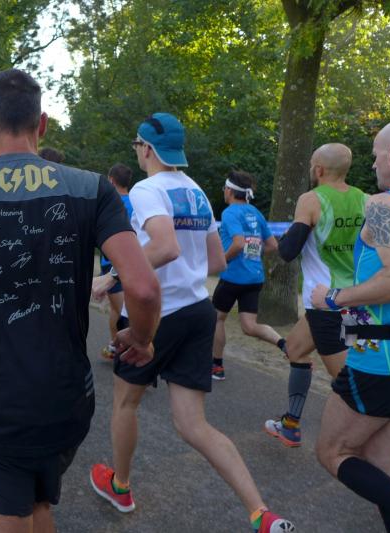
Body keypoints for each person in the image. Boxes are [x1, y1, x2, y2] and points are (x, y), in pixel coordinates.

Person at [0, 68, 161, 533]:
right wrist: (140, 339)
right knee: (37, 504)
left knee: (11, 505)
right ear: (42, 124)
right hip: (68, 398)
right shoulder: (91, 188)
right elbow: (143, 288)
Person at [89, 113, 294, 533]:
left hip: (155, 312)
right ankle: (261, 513)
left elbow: (165, 247)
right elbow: (216, 261)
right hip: (198, 309)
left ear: (147, 148)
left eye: (137, 146)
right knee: (193, 424)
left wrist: (111, 277)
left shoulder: (147, 189)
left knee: (126, 403)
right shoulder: (197, 191)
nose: (137, 152)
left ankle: (121, 486)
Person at [309, 120, 390, 532]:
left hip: (381, 359)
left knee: (333, 451)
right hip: (387, 355)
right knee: (380, 461)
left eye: (377, 154)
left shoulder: (384, 205)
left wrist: (333, 298)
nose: (374, 163)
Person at [264, 143, 366, 447]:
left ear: (318, 169)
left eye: (312, 164)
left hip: (328, 306)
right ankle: (290, 425)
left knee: (350, 385)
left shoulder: (311, 199)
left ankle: (386, 448)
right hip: (351, 300)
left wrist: (281, 238)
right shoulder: (366, 199)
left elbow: (288, 251)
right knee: (295, 349)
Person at [211, 170, 284, 380]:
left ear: (230, 191)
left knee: (216, 319)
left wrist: (223, 260)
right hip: (254, 278)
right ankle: (283, 343)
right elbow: (272, 245)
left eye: (224, 188)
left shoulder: (230, 213)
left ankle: (217, 367)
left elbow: (238, 243)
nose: (224, 192)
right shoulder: (255, 212)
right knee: (249, 326)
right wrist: (253, 253)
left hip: (233, 277)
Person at [98, 163, 134, 360]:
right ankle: (116, 347)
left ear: (111, 180)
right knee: (120, 309)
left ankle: (119, 348)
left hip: (111, 264)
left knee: (120, 311)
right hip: (133, 262)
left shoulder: (110, 202)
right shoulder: (137, 201)